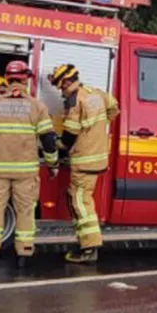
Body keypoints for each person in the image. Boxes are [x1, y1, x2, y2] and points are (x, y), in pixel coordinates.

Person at [0, 61, 59, 269]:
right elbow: (48, 139)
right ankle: (24, 254)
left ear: (6, 78)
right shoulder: (37, 107)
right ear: (26, 79)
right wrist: (52, 163)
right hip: (25, 171)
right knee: (25, 211)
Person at [49, 63, 120, 264]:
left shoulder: (75, 101)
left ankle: (89, 248)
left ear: (67, 82)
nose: (61, 92)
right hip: (98, 158)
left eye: (60, 87)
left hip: (83, 161)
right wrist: (97, 129)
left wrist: (58, 147)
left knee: (80, 202)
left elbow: (70, 135)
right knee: (80, 199)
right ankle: (86, 243)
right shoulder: (96, 92)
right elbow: (114, 108)